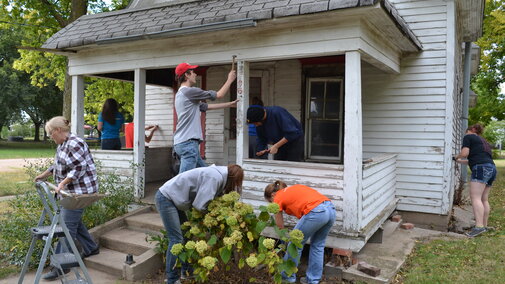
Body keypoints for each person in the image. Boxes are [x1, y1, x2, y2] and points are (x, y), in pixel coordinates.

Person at [34, 116, 100, 281]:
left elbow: (79, 167)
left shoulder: (75, 143)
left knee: (65, 229)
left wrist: (62, 183)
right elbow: (57, 165)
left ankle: (60, 267)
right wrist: (43, 176)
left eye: (50, 133)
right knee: (72, 221)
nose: (50, 137)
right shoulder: (62, 144)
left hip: (80, 192)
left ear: (57, 130)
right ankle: (91, 248)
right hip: (69, 191)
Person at [155, 164, 244, 284]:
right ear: (232, 179)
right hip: (166, 198)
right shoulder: (215, 177)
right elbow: (199, 205)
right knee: (176, 239)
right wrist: (214, 216)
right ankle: (172, 279)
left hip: (175, 199)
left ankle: (186, 272)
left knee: (186, 235)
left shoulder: (217, 174)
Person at [264, 181, 336, 284]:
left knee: (294, 244)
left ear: (272, 195)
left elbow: (280, 227)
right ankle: (313, 280)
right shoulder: (292, 189)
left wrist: (282, 243)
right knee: (318, 245)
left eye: (270, 201)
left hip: (316, 211)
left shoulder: (277, 197)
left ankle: (287, 278)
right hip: (330, 209)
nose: (272, 204)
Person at [173, 62, 238, 174]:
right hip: (188, 144)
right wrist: (230, 79)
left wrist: (229, 104)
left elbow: (205, 107)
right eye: (193, 72)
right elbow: (219, 95)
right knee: (182, 181)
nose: (195, 74)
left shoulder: (181, 94)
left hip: (183, 142)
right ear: (187, 75)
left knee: (208, 173)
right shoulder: (190, 91)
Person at [454, 124, 497, 238]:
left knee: (475, 198)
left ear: (472, 130)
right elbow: (473, 159)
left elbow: (465, 154)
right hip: (491, 168)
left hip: (481, 168)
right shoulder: (484, 142)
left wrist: (456, 157)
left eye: (466, 131)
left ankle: (478, 227)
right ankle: (484, 225)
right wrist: (459, 162)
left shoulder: (469, 137)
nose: (465, 134)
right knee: (484, 199)